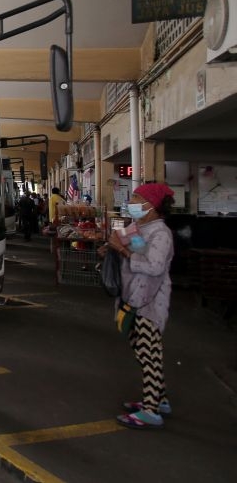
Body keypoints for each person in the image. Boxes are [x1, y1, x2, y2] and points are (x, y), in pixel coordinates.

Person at [103, 182, 175, 429]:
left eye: (136, 199)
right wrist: (111, 247)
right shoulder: (141, 228)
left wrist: (122, 251)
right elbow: (129, 248)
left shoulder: (161, 233)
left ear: (151, 206)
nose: (131, 203)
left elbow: (154, 267)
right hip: (134, 298)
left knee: (149, 355)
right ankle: (159, 399)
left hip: (150, 302)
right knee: (144, 352)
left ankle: (151, 411)